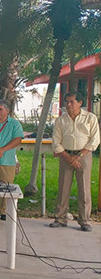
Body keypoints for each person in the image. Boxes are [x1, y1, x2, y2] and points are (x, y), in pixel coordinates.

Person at [49, 91, 99, 232]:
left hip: (84, 156)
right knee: (63, 187)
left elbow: (95, 140)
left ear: (80, 103)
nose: (69, 104)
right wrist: (68, 157)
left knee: (84, 188)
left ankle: (85, 221)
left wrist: (79, 156)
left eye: (72, 101)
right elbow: (56, 142)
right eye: (67, 102)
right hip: (66, 156)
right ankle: (60, 218)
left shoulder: (90, 118)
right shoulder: (61, 120)